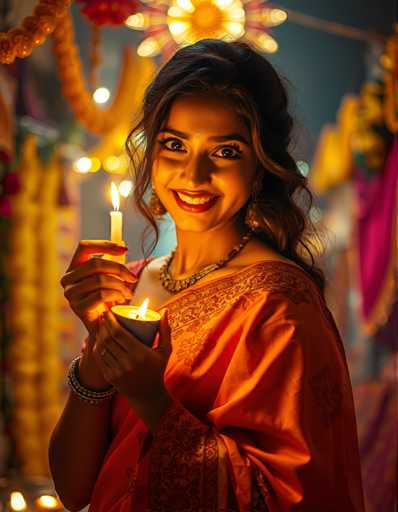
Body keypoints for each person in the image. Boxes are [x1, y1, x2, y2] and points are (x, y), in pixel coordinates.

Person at [49, 39, 365, 511]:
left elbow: (285, 500)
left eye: (226, 151)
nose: (193, 176)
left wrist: (155, 400)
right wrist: (98, 352)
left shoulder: (278, 304)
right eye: (174, 145)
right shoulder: (129, 284)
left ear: (260, 168)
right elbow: (74, 491)